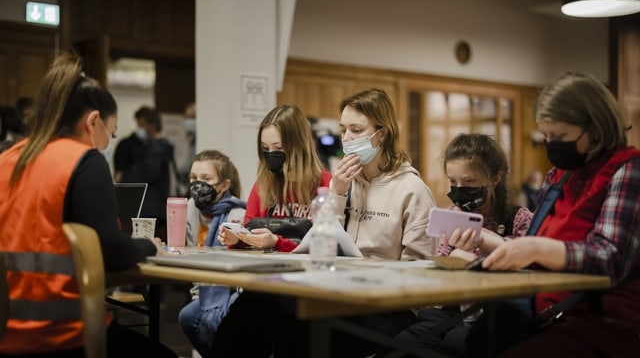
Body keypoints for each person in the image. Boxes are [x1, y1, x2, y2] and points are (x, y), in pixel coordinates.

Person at [212, 88, 438, 358]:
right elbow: (320, 240)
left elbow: (421, 278)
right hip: (338, 294)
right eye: (343, 130)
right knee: (257, 301)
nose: (347, 139)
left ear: (383, 133)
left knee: (299, 326)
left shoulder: (412, 190)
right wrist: (338, 193)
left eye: (356, 130)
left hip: (386, 306)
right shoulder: (344, 182)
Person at [0, 53, 176, 357]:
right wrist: (149, 246)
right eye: (112, 133)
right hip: (63, 335)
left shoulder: (7, 159)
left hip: (7, 335)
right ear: (93, 121)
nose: (108, 142)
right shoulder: (82, 160)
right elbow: (110, 250)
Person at [456, 72, 640, 357]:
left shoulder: (628, 171)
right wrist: (495, 248)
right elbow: (538, 250)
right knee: (476, 342)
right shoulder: (559, 177)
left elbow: (609, 259)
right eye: (547, 136)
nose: (552, 144)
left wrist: (535, 248)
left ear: (595, 126)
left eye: (561, 136)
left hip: (606, 323)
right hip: (547, 316)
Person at [392, 133, 533, 357]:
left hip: (496, 311)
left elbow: (528, 267)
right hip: (453, 309)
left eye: (469, 183)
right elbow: (442, 268)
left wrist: (482, 251)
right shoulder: (451, 217)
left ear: (495, 178)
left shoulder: (518, 218)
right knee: (404, 344)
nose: (459, 190)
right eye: (453, 182)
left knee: (458, 345)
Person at [218, 104, 332, 251]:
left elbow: (327, 247)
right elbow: (250, 234)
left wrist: (277, 242)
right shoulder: (263, 184)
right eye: (265, 148)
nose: (271, 154)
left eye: (278, 148)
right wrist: (236, 239)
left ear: (299, 146)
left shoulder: (326, 184)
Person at [178, 149, 246, 358]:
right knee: (187, 315)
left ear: (224, 185)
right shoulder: (189, 207)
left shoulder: (238, 214)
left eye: (206, 179)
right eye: (193, 178)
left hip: (233, 292)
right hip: (204, 291)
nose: (198, 184)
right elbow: (192, 258)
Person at [116, 106, 176, 241]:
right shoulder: (163, 146)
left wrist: (124, 177)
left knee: (145, 242)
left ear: (151, 124)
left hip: (150, 208)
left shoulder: (156, 148)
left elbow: (146, 173)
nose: (139, 129)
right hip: (157, 205)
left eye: (142, 125)